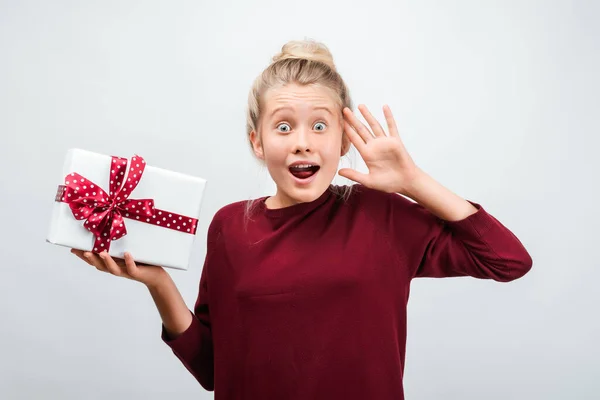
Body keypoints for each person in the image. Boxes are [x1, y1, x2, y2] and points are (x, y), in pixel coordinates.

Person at [72, 39, 533, 399]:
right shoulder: (231, 227)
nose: (303, 142)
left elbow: (508, 261)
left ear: (344, 138)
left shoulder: (380, 214)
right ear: (257, 141)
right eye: (284, 125)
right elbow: (213, 371)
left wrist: (413, 181)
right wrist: (159, 284)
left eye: (319, 125)